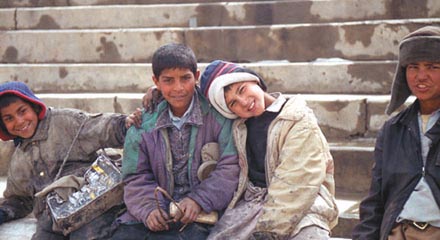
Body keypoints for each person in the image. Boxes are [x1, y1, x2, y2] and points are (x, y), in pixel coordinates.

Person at [110, 44, 240, 240]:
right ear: (156, 82)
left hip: (204, 210)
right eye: (168, 81)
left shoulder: (218, 117)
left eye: (185, 79)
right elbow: (135, 176)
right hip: (155, 212)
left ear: (196, 77)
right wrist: (149, 209)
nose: (178, 88)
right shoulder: (142, 124)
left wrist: (199, 200)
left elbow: (230, 168)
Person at [197, 60, 338, 239]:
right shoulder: (238, 125)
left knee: (310, 235)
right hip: (253, 202)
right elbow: (188, 99)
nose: (243, 102)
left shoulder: (297, 119)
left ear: (255, 81)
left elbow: (297, 181)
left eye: (242, 90)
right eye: (233, 103)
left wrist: (270, 230)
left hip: (303, 200)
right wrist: (158, 95)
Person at [0, 81, 139, 239]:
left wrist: (124, 125)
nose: (19, 121)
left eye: (22, 111)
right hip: (53, 221)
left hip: (91, 204)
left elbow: (100, 127)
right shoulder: (19, 158)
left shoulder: (64, 122)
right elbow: (20, 199)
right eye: (9, 118)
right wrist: (4, 213)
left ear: (34, 106)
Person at [352, 26, 440, 240]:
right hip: (397, 232)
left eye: (432, 66)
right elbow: (375, 200)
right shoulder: (392, 130)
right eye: (413, 67)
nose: (421, 76)